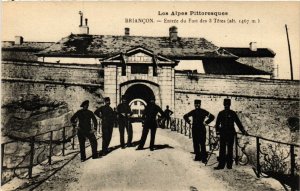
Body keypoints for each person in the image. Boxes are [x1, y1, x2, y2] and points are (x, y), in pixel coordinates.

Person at [214, 98, 249, 170]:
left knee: (229, 149)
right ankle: (222, 165)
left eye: (227, 104)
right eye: (225, 104)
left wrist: (243, 131)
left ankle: (228, 165)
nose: (226, 106)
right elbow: (217, 124)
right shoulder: (221, 113)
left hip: (230, 133)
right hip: (223, 133)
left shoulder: (232, 113)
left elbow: (238, 123)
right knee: (222, 149)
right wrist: (217, 131)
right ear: (224, 105)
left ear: (229, 105)